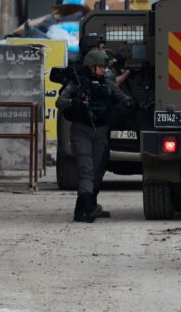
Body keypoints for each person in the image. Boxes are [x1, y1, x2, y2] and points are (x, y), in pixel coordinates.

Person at [56, 50, 135, 223]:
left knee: (96, 171)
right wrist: (75, 103)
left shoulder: (107, 83)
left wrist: (115, 113)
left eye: (103, 66)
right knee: (87, 170)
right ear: (90, 67)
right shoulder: (77, 84)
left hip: (101, 132)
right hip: (81, 130)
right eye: (99, 66)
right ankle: (88, 208)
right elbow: (60, 102)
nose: (102, 69)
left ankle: (82, 210)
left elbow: (125, 100)